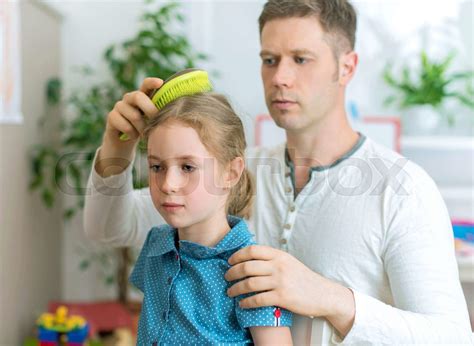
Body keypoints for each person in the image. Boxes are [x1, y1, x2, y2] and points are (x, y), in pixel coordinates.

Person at [84, 0, 472, 344]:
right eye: (269, 59)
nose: (280, 77)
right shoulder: (225, 174)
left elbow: (453, 337)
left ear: (347, 67)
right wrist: (116, 149)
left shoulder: (402, 188)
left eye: (301, 59)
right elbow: (109, 228)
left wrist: (330, 297)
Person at [128, 92, 293, 345]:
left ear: (230, 173)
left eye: (187, 167)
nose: (168, 184)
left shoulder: (253, 270)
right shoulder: (156, 244)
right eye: (157, 167)